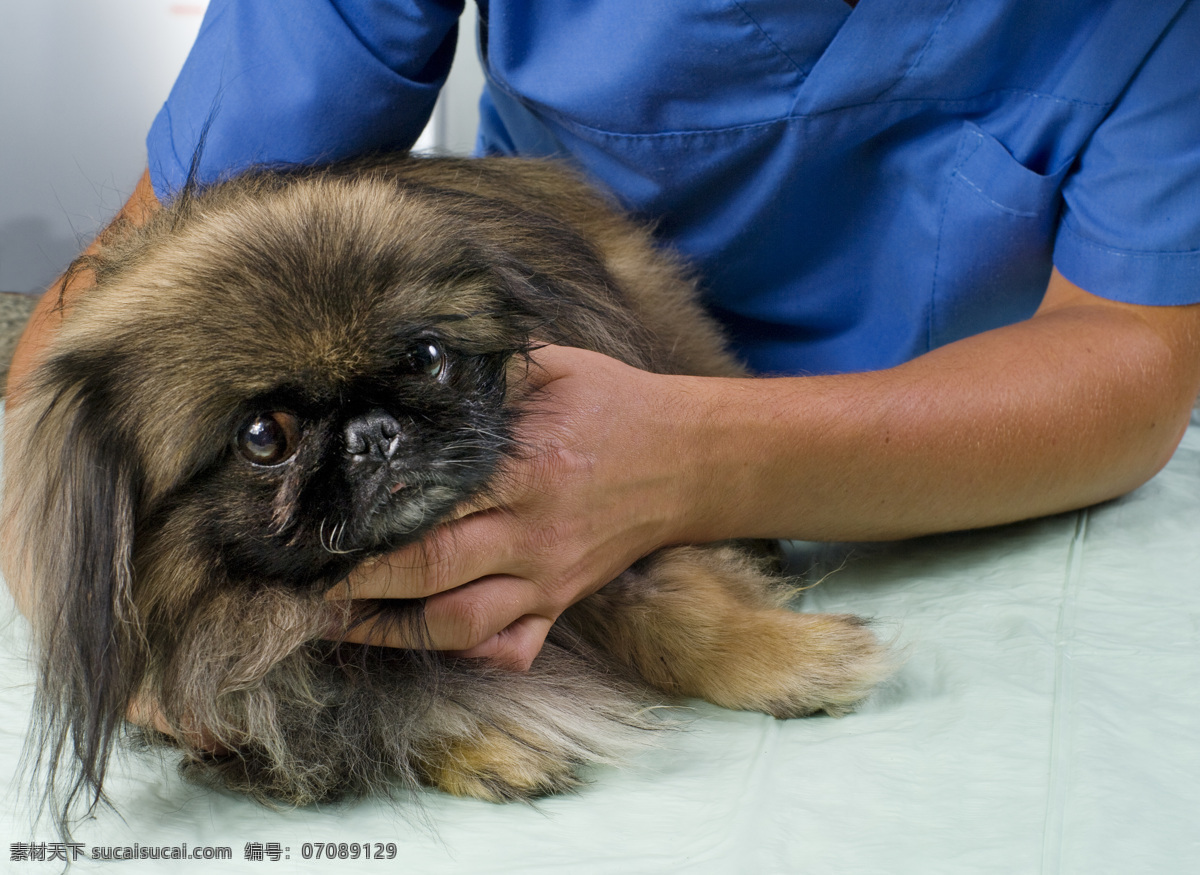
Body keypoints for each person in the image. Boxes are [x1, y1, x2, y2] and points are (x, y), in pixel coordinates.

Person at [9, 0, 1200, 675]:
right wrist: (95, 619)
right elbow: (147, 269)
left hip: (970, 467)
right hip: (491, 392)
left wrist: (690, 461)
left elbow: (1136, 356)